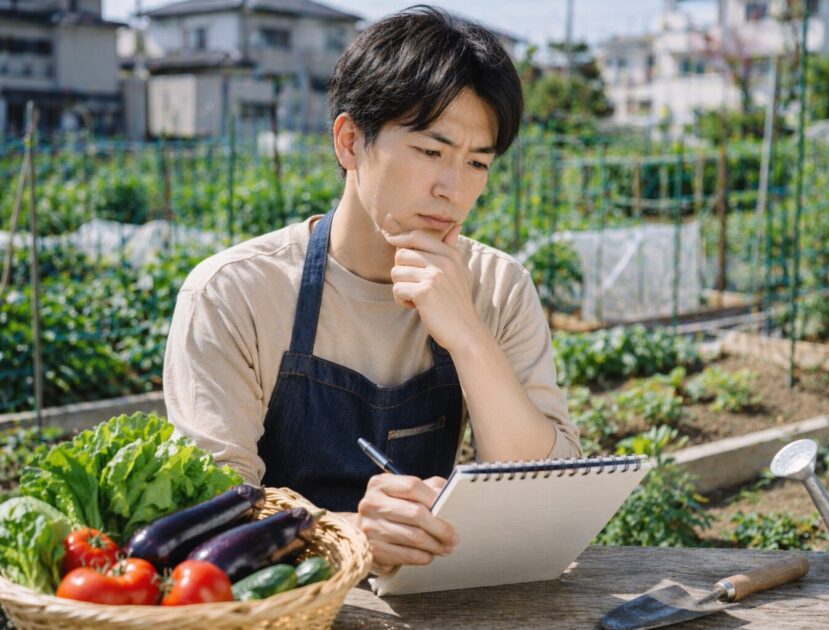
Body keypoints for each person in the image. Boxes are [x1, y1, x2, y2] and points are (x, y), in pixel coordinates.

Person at [163, 6, 581, 576]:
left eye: (477, 163)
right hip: (280, 604)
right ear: (350, 141)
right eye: (431, 152)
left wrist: (467, 336)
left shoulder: (497, 287)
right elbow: (208, 513)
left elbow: (547, 493)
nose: (452, 190)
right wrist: (351, 533)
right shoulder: (235, 293)